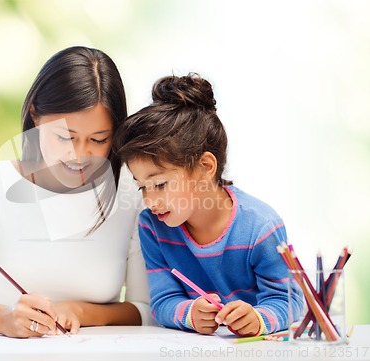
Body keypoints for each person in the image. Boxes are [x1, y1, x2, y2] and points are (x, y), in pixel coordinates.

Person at [0, 46, 153, 338]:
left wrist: (81, 311)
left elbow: (145, 309)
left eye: (98, 140)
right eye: (65, 137)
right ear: (35, 115)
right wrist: (3, 318)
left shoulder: (131, 190)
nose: (80, 155)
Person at [113, 73, 303, 337]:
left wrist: (258, 319)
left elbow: (290, 302)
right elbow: (162, 301)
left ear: (205, 167)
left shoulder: (260, 227)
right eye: (141, 186)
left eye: (160, 185)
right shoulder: (153, 226)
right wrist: (190, 314)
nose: (149, 200)